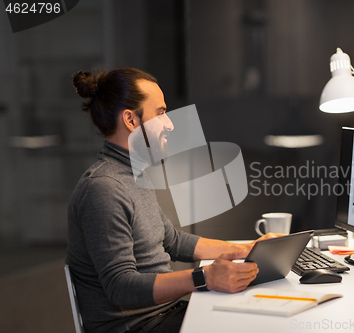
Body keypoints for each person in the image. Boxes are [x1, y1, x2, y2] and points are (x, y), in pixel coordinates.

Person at [66, 68, 276, 333]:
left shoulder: (133, 174)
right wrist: (204, 278)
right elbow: (120, 287)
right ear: (131, 120)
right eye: (161, 112)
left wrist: (244, 250)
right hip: (138, 326)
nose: (170, 124)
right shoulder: (104, 189)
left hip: (165, 313)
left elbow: (172, 240)